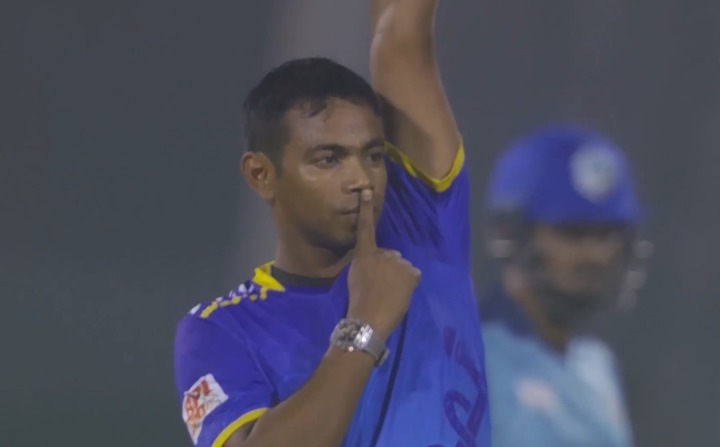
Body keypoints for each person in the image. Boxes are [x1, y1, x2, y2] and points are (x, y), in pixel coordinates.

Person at [173, 1, 491, 446]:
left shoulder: (424, 223)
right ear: (261, 174)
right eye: (329, 159)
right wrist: (363, 326)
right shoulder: (222, 330)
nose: (361, 180)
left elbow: (399, 41)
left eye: (373, 156)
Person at [479, 125, 652, 447]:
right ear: (511, 234)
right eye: (573, 233)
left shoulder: (597, 366)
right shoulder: (465, 358)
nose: (596, 255)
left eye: (607, 235)